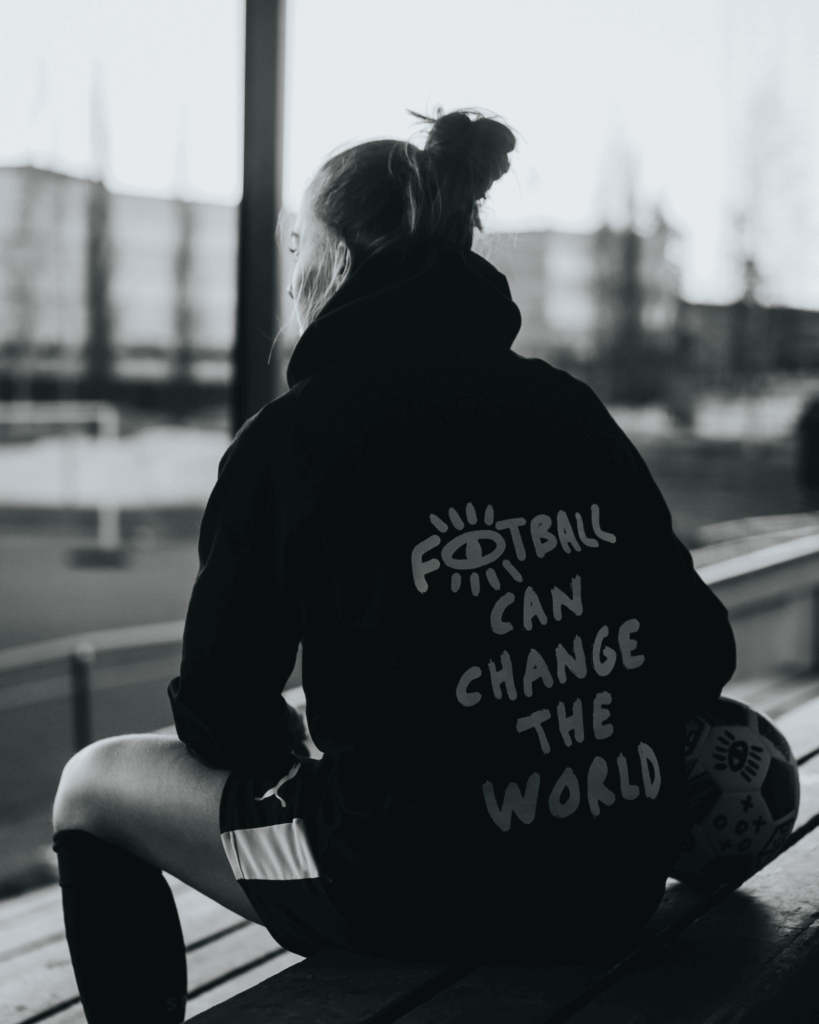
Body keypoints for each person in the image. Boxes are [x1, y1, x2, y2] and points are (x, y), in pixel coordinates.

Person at [52, 108, 736, 1023]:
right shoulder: (567, 409)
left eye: (299, 241)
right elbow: (698, 653)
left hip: (414, 885)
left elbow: (220, 714)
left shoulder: (290, 444)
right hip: (613, 876)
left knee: (91, 784)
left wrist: (307, 743)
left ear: (329, 257)